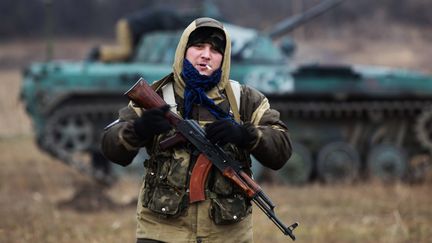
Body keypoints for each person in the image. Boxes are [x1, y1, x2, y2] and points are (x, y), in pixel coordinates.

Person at [101, 17, 292, 243]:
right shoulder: (158, 96)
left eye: (215, 50)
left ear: (224, 57)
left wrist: (246, 134)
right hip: (161, 234)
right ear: (184, 49)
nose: (206, 55)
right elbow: (110, 146)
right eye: (198, 46)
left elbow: (282, 148)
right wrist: (139, 129)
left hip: (227, 236)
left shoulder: (244, 100)